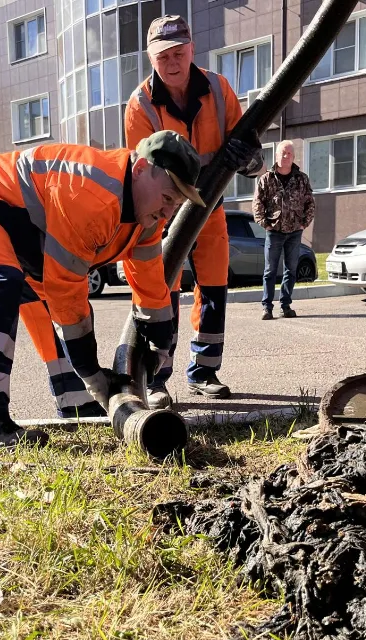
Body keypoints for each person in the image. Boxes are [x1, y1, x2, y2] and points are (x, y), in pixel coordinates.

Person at [0, 130, 204, 450]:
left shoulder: (145, 220)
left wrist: (160, 346)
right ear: (139, 170)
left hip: (28, 232)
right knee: (0, 282)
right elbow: (66, 291)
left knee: (49, 306)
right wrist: (93, 375)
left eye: (176, 204)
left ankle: (77, 405)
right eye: (167, 198)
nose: (168, 213)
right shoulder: (91, 194)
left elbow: (151, 284)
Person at [124, 14, 265, 410]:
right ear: (151, 58)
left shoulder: (218, 89)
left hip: (210, 205)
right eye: (162, 56)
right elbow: (142, 174)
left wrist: (248, 157)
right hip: (164, 211)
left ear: (192, 49)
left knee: (215, 287)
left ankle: (204, 372)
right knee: (161, 291)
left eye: (178, 53)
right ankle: (156, 379)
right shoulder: (140, 105)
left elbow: (251, 151)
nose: (172, 62)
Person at [252, 140, 315, 319]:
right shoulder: (267, 179)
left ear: (293, 157)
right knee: (270, 271)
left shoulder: (301, 179)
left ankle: (285, 306)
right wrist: (265, 223)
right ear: (276, 155)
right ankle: (267, 307)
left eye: (289, 153)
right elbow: (257, 203)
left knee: (291, 270)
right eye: (282, 153)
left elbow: (310, 203)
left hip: (295, 231)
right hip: (274, 231)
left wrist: (303, 223)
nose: (285, 156)